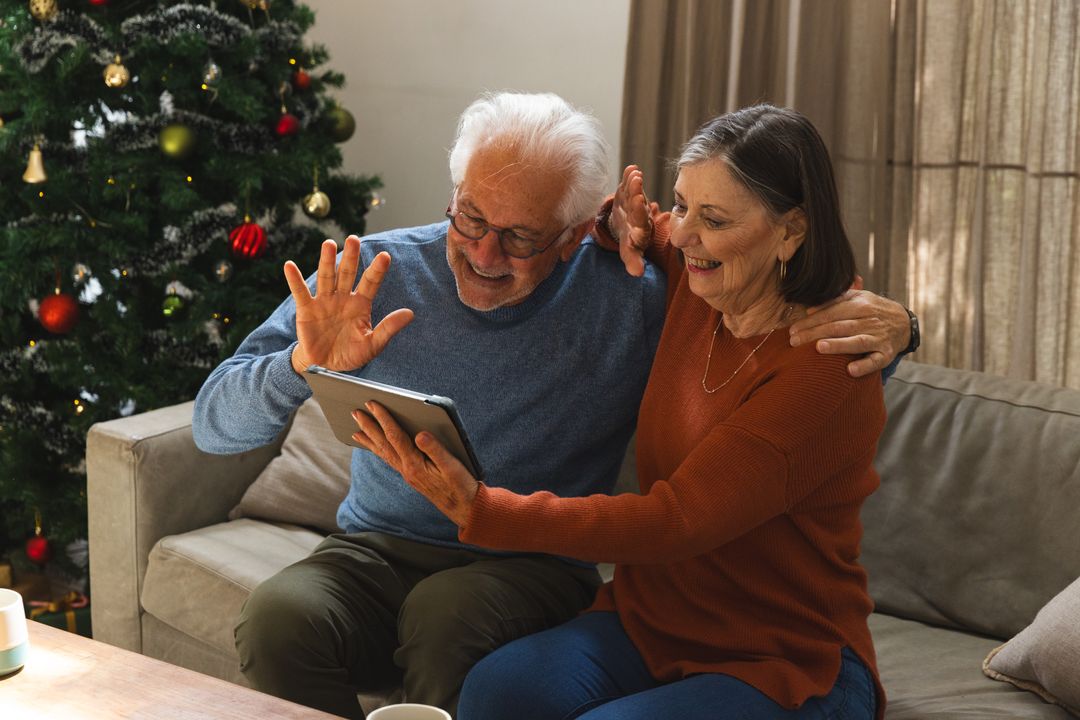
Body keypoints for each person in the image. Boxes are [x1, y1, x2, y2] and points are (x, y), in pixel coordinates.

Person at [353, 104, 889, 719]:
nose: (684, 234)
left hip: (785, 654)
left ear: (792, 231)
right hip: (651, 623)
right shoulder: (698, 275)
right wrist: (615, 219)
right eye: (683, 203)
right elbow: (634, 226)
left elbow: (678, 520)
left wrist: (483, 509)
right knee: (494, 691)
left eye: (712, 219)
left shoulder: (827, 368)